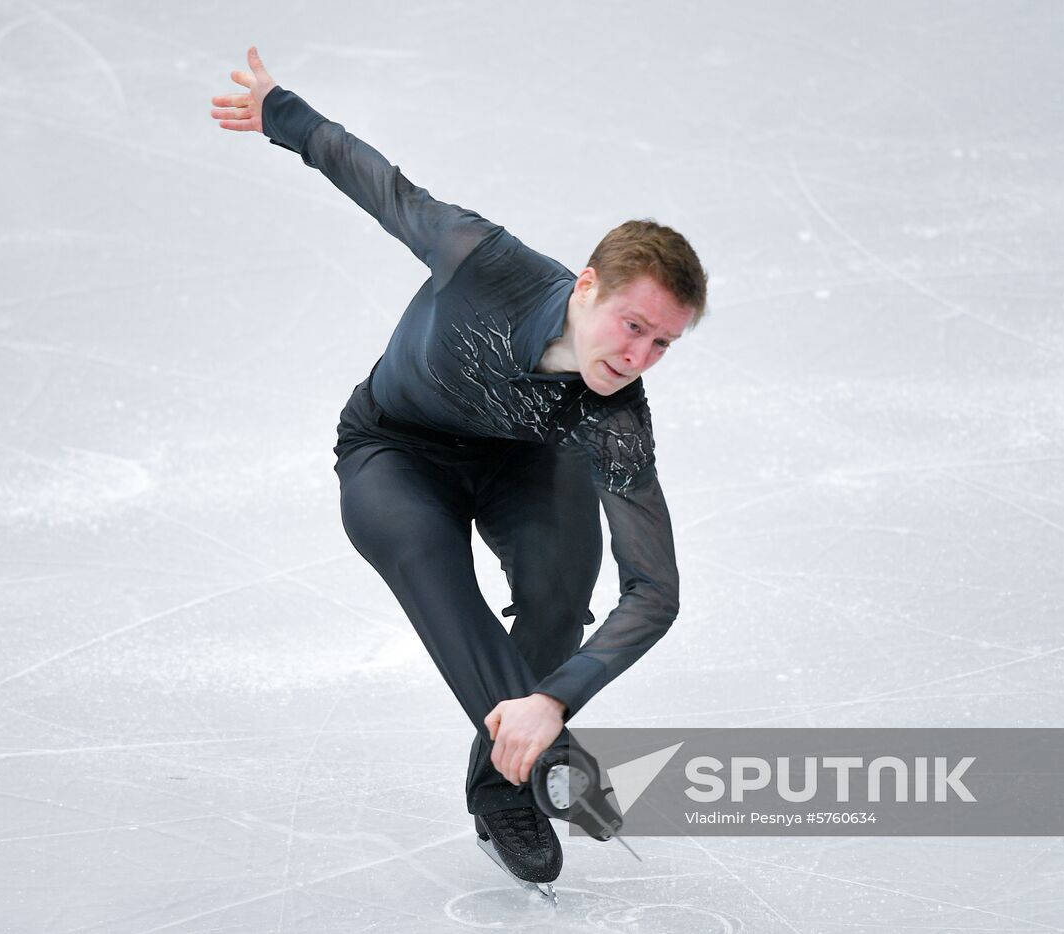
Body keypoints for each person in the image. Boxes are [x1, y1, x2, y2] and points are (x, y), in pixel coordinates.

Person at [211, 47, 707, 890]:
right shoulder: (485, 261)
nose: (640, 357)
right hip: (393, 448)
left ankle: (499, 784)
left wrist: (553, 697)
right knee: (431, 566)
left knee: (558, 588)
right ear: (587, 286)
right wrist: (279, 111)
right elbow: (381, 185)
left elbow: (655, 589)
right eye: (632, 326)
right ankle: (540, 763)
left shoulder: (615, 414)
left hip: (525, 463)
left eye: (663, 343)